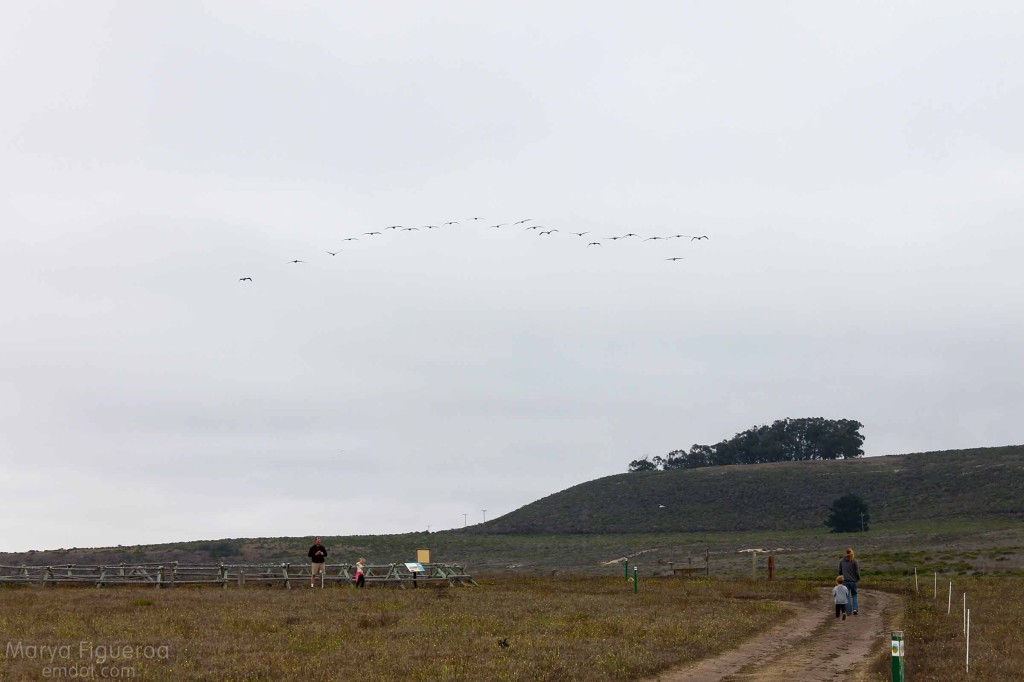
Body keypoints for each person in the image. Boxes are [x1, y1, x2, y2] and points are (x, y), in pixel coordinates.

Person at [838, 547, 860, 615]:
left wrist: (843, 575)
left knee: (846, 596)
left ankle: (848, 611)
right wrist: (858, 578)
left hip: (845, 581)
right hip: (853, 581)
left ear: (846, 553)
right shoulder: (855, 561)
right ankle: (855, 609)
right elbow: (857, 572)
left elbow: (840, 571)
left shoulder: (841, 561)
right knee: (855, 595)